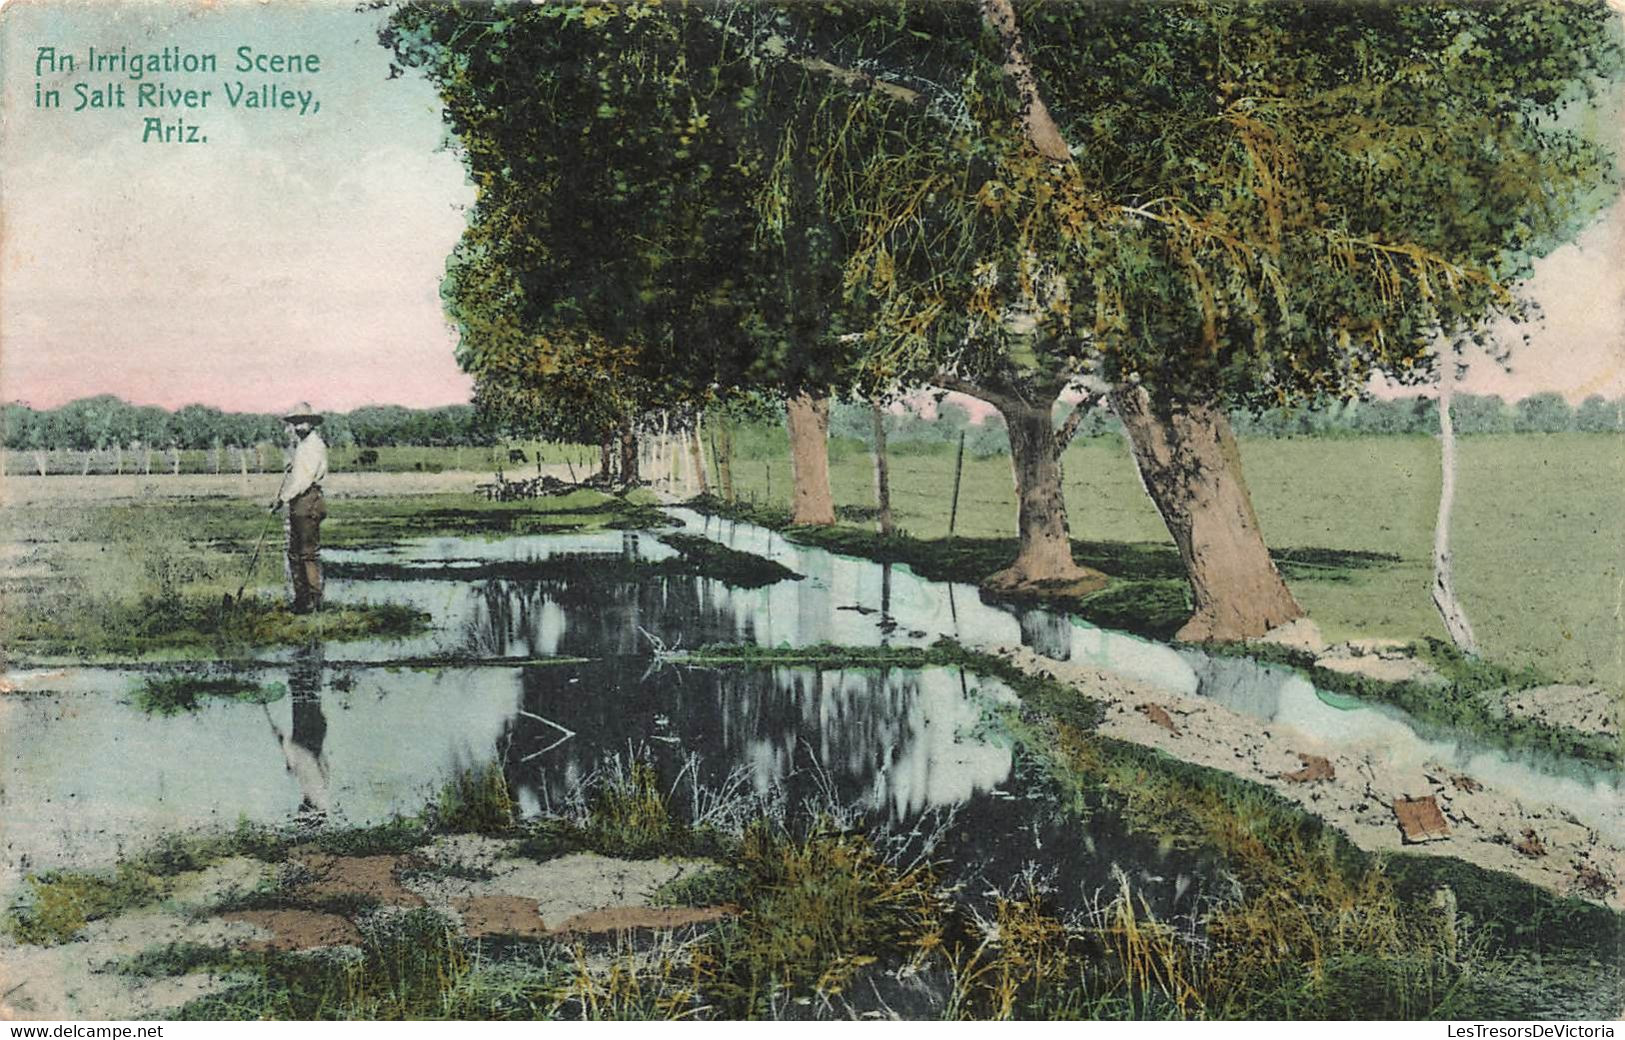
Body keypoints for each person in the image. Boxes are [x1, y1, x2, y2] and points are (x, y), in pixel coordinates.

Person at [270, 403, 329, 613]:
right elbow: (301, 471)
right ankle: (302, 600)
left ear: (311, 423)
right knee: (295, 553)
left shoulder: (312, 445)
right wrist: (292, 465)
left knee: (307, 554)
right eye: (295, 423)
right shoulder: (303, 446)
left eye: (302, 422)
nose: (298, 426)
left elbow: (303, 481)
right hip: (300, 501)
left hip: (307, 500)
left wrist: (281, 499)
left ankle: (313, 602)